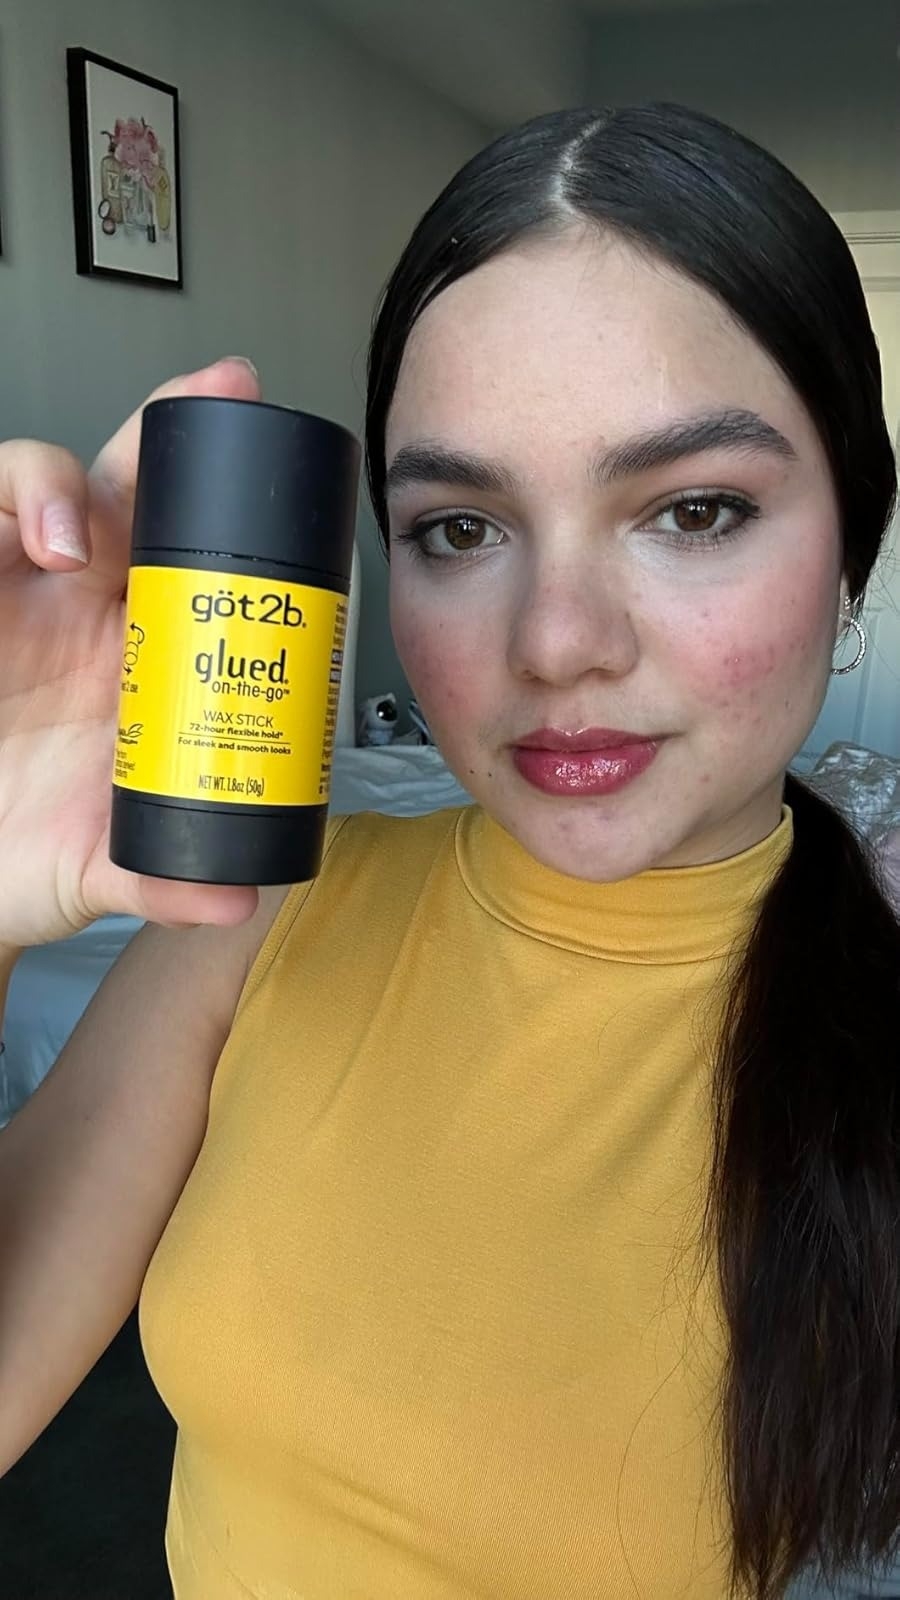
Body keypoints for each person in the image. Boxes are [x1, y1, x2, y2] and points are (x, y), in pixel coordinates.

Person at [0, 102, 897, 1600]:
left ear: (854, 537)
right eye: (461, 529)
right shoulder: (262, 920)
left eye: (693, 510)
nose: (556, 642)